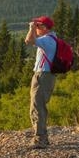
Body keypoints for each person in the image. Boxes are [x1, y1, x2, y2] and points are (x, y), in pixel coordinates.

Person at [24, 15, 57, 148]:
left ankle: (40, 139)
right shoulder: (52, 39)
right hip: (47, 76)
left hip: (43, 75)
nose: (36, 28)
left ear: (43, 28)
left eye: (38, 26)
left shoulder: (46, 40)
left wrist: (31, 28)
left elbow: (28, 40)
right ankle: (42, 136)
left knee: (37, 106)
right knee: (40, 105)